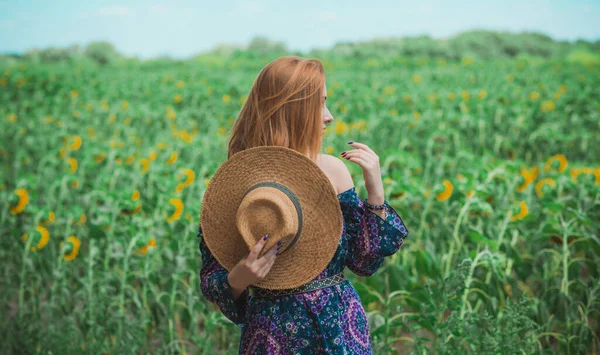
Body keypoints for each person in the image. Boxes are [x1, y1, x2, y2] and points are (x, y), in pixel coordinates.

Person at [197, 56, 409, 354]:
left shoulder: (333, 171)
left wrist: (375, 190)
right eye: (319, 104)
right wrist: (241, 276)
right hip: (270, 333)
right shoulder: (237, 185)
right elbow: (212, 281)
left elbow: (363, 262)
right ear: (292, 109)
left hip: (338, 324)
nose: (329, 116)